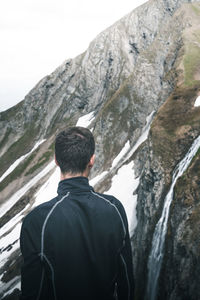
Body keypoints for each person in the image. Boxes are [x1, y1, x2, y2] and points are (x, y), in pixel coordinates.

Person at [20, 126, 134, 300]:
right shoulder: (114, 208)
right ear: (92, 160)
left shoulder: (37, 221)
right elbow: (126, 279)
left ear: (56, 160)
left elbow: (33, 293)